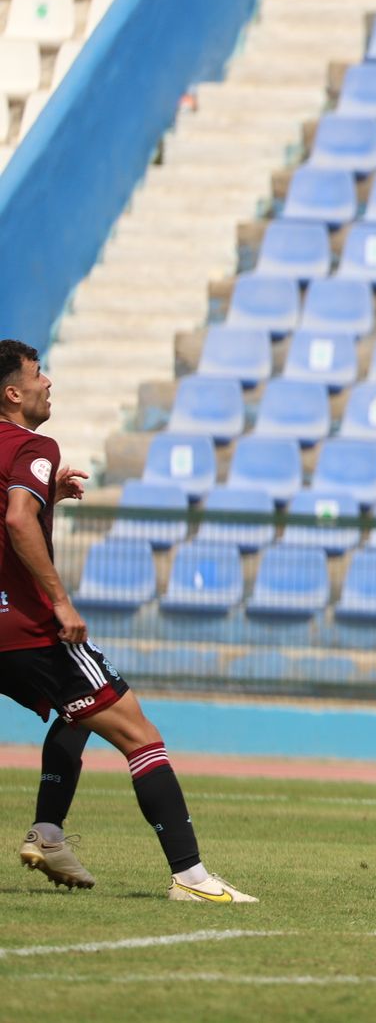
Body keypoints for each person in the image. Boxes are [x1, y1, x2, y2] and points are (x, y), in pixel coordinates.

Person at [0, 341, 255, 902]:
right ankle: (191, 878)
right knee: (141, 736)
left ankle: (47, 832)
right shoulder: (34, 444)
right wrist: (61, 603)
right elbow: (17, 520)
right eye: (38, 375)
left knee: (76, 716)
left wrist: (49, 497)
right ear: (13, 393)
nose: (49, 383)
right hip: (26, 628)